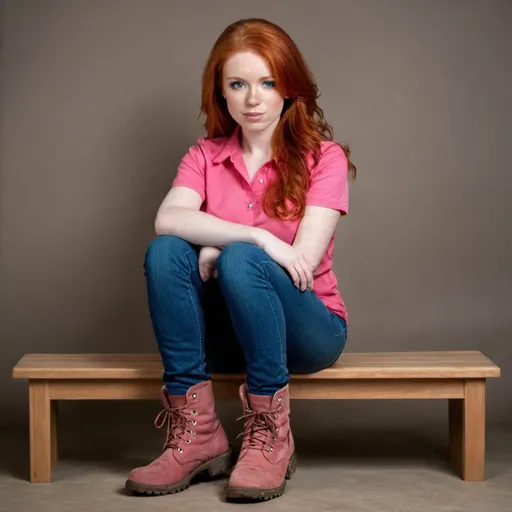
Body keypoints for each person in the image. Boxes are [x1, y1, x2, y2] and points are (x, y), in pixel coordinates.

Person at [125, 17, 356, 502]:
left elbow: (301, 264)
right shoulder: (203, 157)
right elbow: (168, 220)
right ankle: (198, 435)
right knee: (167, 251)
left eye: (267, 83)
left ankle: (272, 435)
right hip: (226, 337)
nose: (253, 98)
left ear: (289, 89)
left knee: (237, 262)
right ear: (222, 93)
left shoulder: (324, 157)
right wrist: (256, 235)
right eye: (238, 84)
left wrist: (223, 243)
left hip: (308, 329)